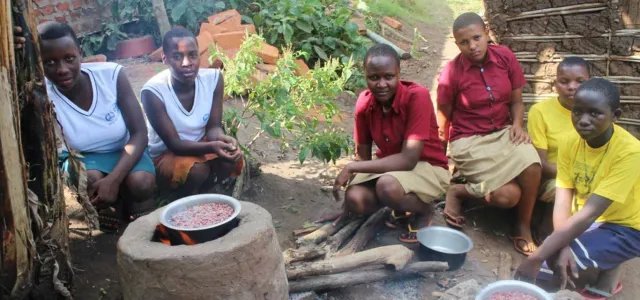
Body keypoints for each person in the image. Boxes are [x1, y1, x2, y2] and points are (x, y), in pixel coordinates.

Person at [515, 78, 640, 299]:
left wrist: (535, 258)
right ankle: (602, 262)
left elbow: (590, 214)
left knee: (547, 268)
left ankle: (607, 276)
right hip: (590, 218)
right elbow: (563, 200)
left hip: (628, 228)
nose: (583, 121)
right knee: (556, 256)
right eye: (577, 112)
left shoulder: (630, 153)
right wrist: (562, 245)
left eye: (595, 114)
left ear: (616, 115)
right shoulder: (570, 142)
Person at [437, 12, 542, 255]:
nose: (472, 46)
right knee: (508, 196)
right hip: (469, 140)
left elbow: (517, 101)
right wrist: (440, 161)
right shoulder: (451, 73)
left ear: (486, 33)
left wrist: (517, 124)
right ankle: (459, 191)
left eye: (476, 38)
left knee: (533, 166)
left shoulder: (505, 56)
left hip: (504, 132)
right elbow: (443, 120)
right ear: (457, 44)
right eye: (464, 42)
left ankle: (522, 225)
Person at [37, 21, 157, 232]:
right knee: (90, 178)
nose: (62, 70)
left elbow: (139, 133)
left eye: (69, 58)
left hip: (123, 151)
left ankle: (130, 201)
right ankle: (108, 209)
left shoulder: (110, 76)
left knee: (142, 183)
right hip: (83, 157)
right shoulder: (42, 95)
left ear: (80, 53)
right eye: (50, 63)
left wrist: (114, 179)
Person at [332, 44, 451, 243]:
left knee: (387, 187)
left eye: (388, 77)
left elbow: (409, 159)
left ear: (398, 74)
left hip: (428, 168)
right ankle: (398, 206)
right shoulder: (365, 102)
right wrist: (347, 207)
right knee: (355, 199)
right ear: (365, 76)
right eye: (374, 77)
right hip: (390, 171)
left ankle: (423, 210)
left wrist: (352, 168)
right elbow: (363, 155)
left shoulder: (417, 97)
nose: (381, 84)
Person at [141, 28, 243, 196]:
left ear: (199, 56)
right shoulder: (153, 92)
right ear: (164, 59)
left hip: (200, 143)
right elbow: (175, 144)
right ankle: (183, 199)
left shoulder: (213, 79)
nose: (187, 62)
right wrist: (212, 146)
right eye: (177, 56)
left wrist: (223, 140)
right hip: (167, 153)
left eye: (192, 55)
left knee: (231, 157)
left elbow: (213, 127)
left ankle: (212, 191)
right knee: (197, 170)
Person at [528, 57, 590, 203]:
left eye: (580, 82)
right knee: (569, 191)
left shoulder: (597, 113)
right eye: (564, 81)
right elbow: (541, 164)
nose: (572, 87)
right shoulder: (540, 111)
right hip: (554, 178)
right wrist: (579, 176)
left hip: (590, 175)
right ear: (555, 84)